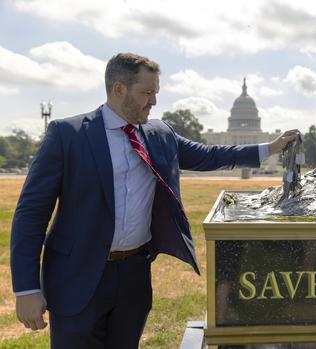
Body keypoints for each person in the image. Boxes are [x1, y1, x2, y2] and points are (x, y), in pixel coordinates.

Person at [10, 52, 299, 349]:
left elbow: (210, 155)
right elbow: (30, 214)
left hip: (133, 275)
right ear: (119, 89)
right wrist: (27, 289)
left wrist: (271, 147)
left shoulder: (159, 133)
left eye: (156, 92)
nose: (154, 101)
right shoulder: (67, 135)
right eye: (147, 92)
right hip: (77, 277)